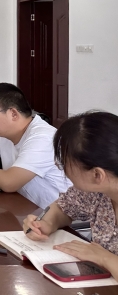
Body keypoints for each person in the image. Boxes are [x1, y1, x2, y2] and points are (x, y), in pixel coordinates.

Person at [23, 112, 118, 277]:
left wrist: (104, 258)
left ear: (97, 175)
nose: (62, 168)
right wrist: (47, 223)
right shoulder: (96, 192)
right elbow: (63, 208)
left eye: (65, 163)